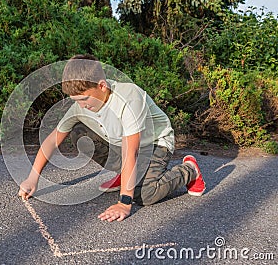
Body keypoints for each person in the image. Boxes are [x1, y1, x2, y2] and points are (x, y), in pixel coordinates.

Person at [18, 54, 205, 222]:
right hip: (120, 143)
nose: (81, 106)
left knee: (145, 195)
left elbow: (130, 150)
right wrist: (32, 178)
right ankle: (125, 175)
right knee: (78, 133)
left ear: (102, 85)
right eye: (76, 101)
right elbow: (52, 140)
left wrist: (124, 202)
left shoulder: (129, 97)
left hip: (155, 144)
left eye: (84, 99)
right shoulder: (80, 106)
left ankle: (189, 170)